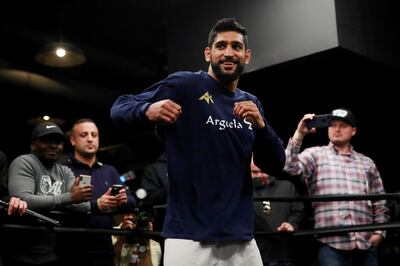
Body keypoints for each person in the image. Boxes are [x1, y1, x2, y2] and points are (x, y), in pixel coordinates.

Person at [111, 17, 285, 266]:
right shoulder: (187, 84)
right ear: (208, 53)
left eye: (236, 47)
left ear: (246, 56)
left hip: (241, 238)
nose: (228, 53)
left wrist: (262, 127)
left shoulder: (251, 103)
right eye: (221, 45)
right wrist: (147, 110)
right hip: (188, 237)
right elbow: (120, 108)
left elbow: (276, 164)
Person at [283, 108, 389, 266]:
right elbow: (288, 167)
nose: (337, 129)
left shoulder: (367, 162)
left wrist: (379, 233)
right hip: (331, 244)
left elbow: (379, 201)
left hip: (365, 244)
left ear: (353, 131)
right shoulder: (316, 155)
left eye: (343, 125)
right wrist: (300, 133)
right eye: (332, 125)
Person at [6, 122, 93, 265]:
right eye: (46, 140)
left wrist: (66, 200)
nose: (53, 145)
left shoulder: (65, 171)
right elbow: (24, 201)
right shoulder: (24, 162)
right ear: (33, 144)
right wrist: (69, 198)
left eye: (58, 141)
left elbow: (83, 205)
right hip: (20, 254)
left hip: (51, 253)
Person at [59, 118, 136, 266]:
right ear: (73, 140)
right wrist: (97, 204)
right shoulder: (63, 169)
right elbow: (58, 203)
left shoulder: (109, 171)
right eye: (84, 135)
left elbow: (133, 202)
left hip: (104, 248)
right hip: (70, 249)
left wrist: (123, 200)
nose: (90, 139)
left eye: (94, 135)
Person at [252, 158, 305, 266]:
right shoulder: (242, 190)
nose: (259, 175)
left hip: (283, 254)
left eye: (263, 171)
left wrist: (292, 224)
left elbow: (298, 211)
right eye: (254, 172)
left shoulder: (287, 186)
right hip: (253, 254)